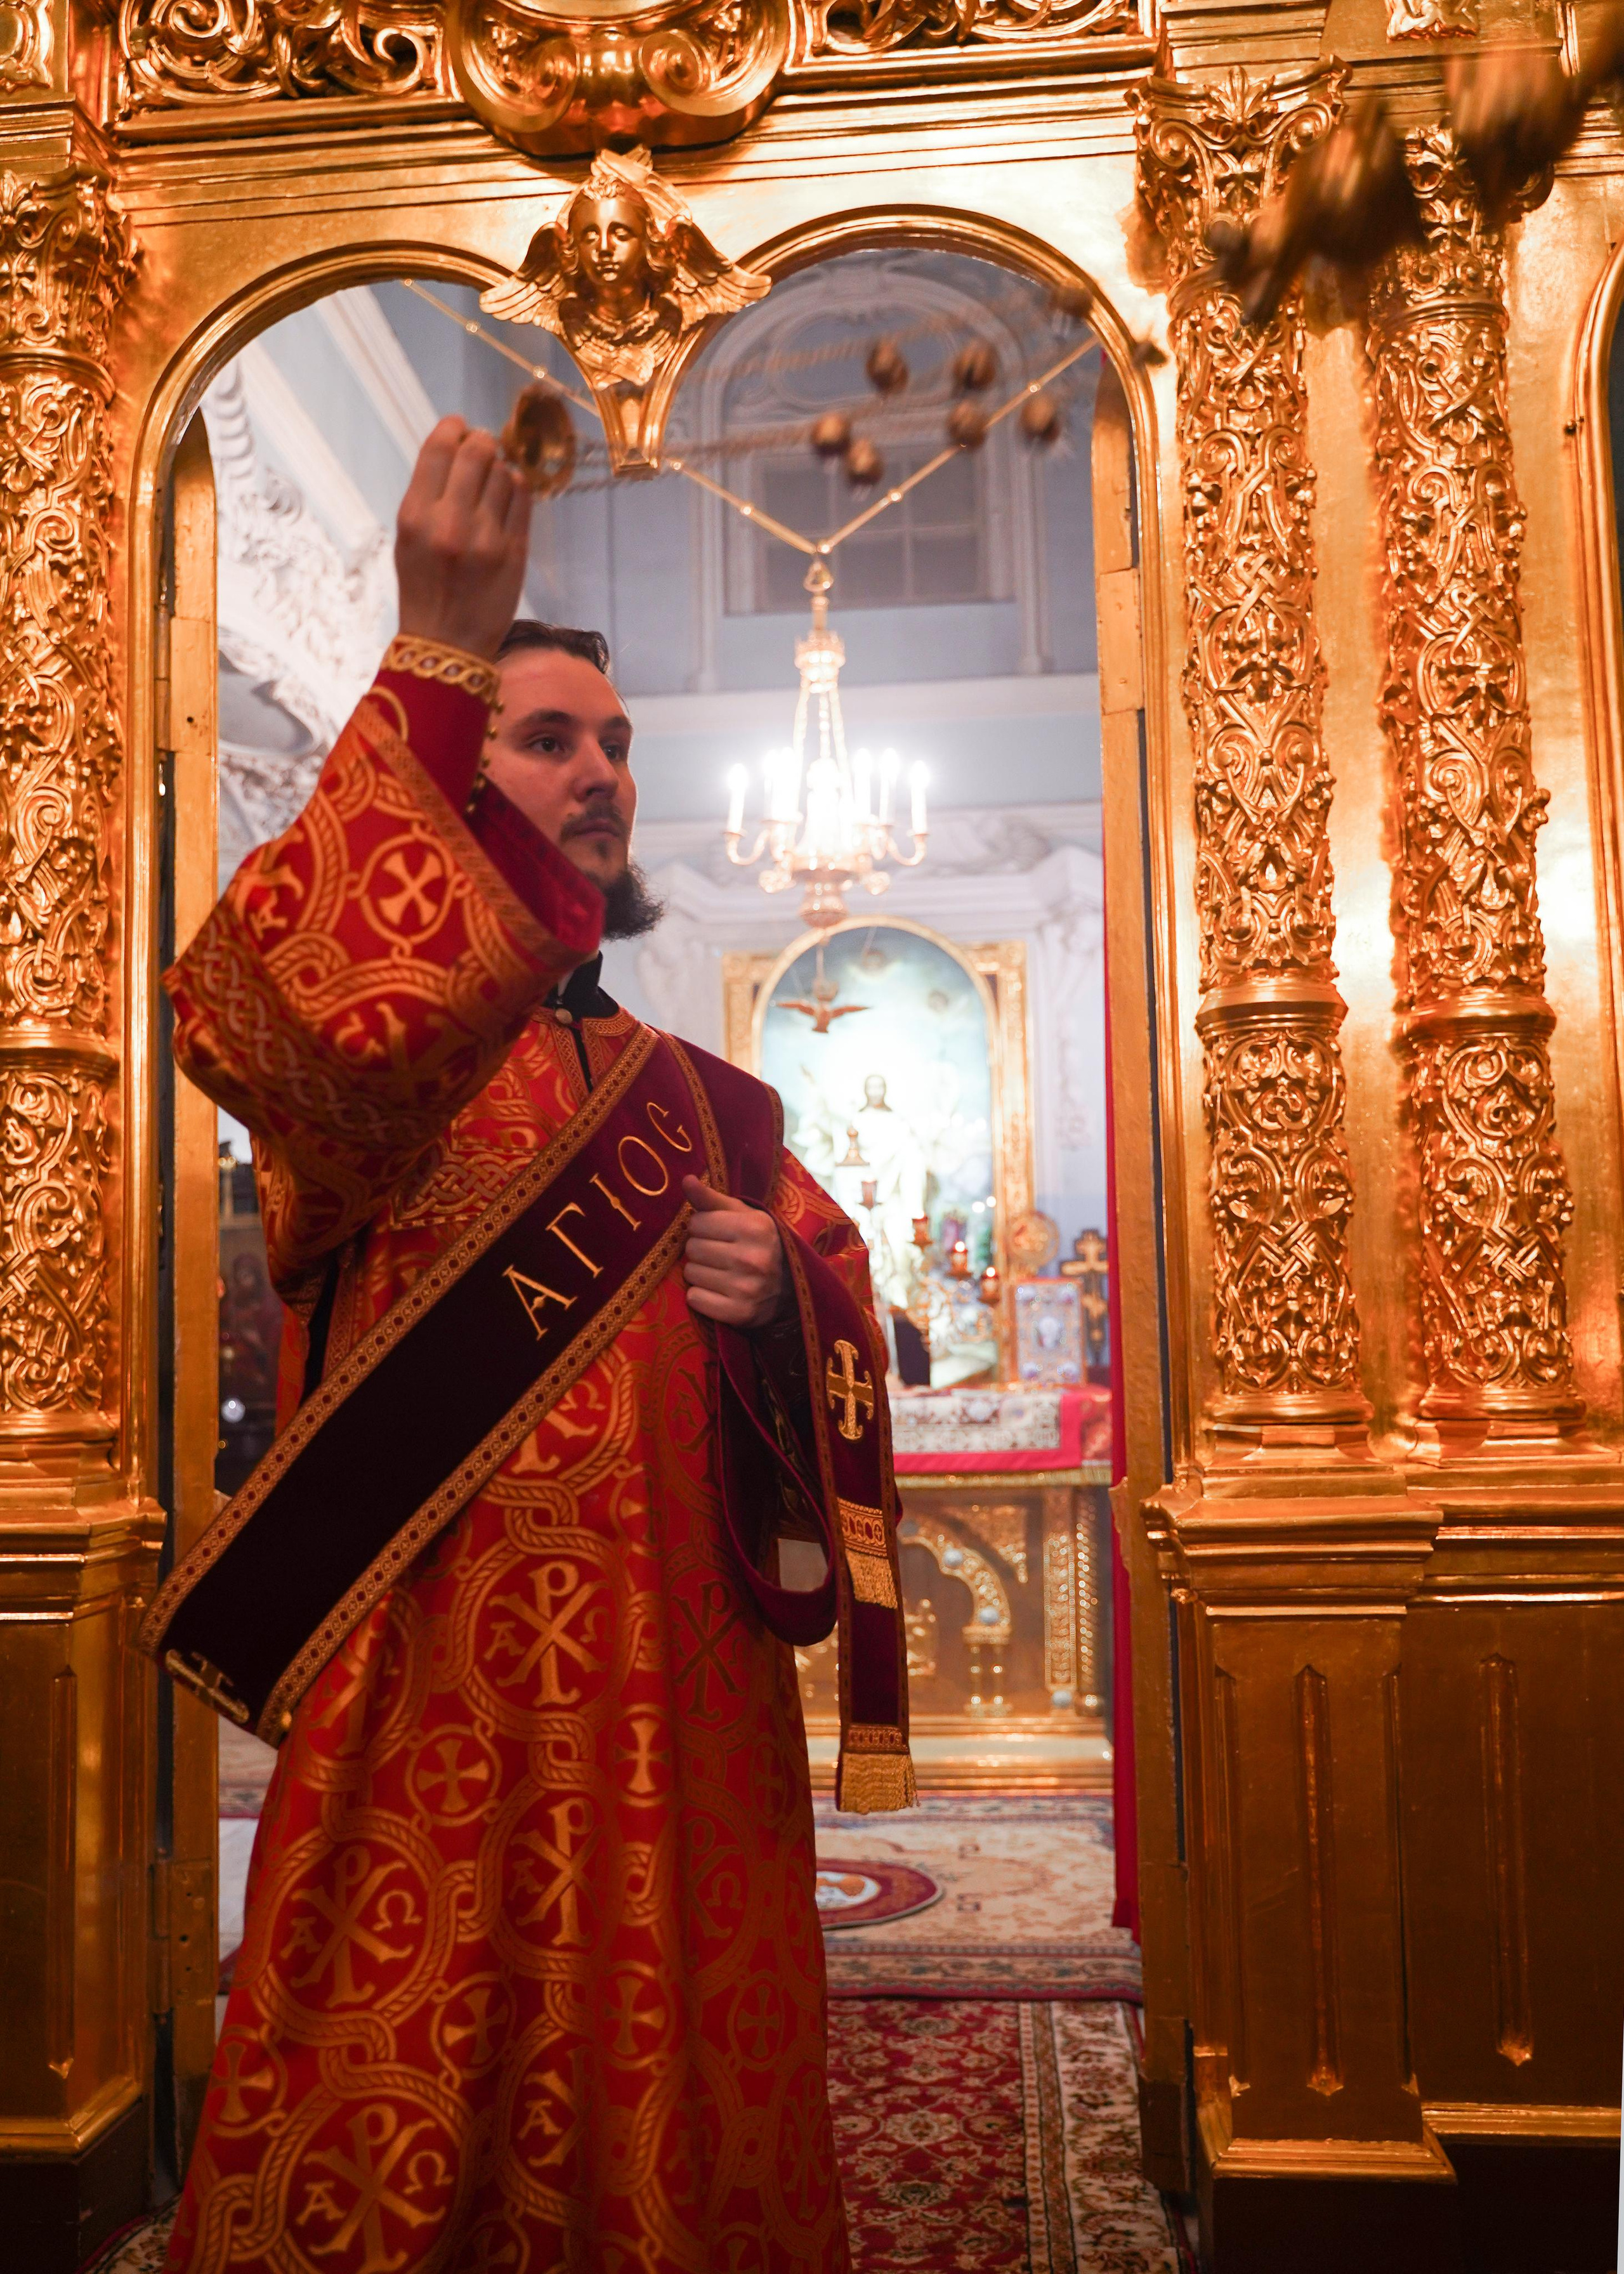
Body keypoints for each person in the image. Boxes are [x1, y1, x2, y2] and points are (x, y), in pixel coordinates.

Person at [155, 416, 912, 2274]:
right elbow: (273, 1011)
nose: (599, 774)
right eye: (545, 734)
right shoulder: (383, 1086)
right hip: (437, 1710)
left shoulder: (701, 1103)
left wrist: (783, 1286)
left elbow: (851, 1312)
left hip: (679, 1701)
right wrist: (429, 650)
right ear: (454, 773)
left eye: (618, 745)